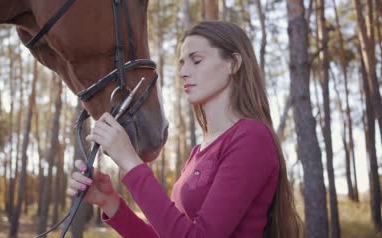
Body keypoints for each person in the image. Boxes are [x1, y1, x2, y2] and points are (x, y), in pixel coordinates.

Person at [67, 21, 301, 238]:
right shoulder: (199, 151)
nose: (183, 72)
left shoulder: (252, 138)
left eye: (196, 60)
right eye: (182, 63)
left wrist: (130, 161)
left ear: (233, 63)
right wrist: (111, 203)